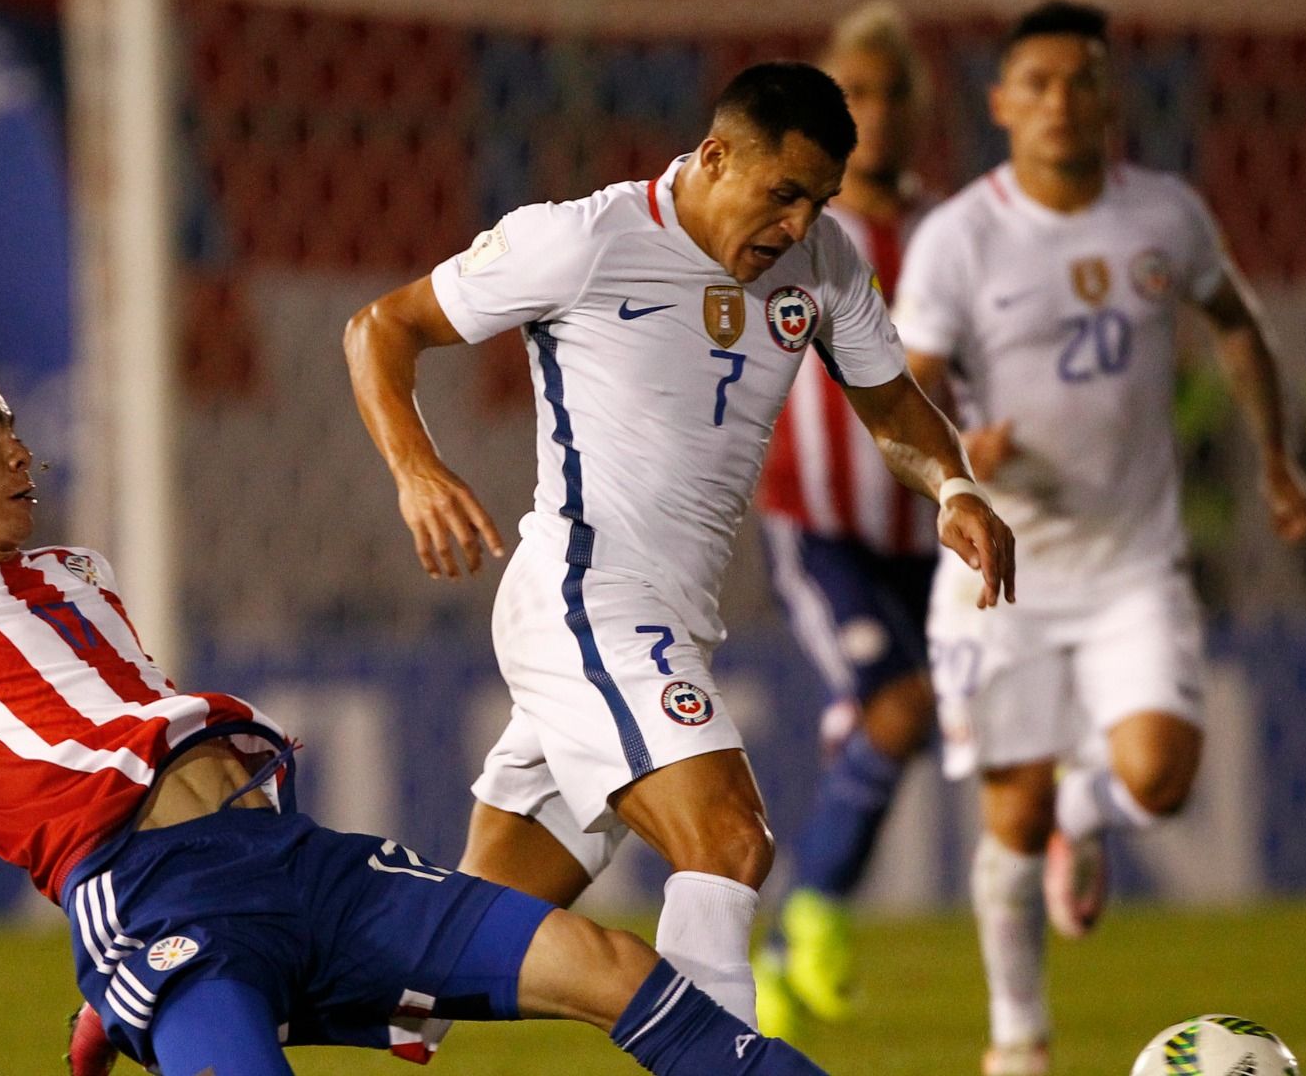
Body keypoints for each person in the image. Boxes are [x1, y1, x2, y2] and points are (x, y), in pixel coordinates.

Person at [0, 358, 833, 1076]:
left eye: (14, 429)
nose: (19, 451)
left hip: (295, 858)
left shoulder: (77, 575)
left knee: (606, 965)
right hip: (150, 889)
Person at [344, 60, 1015, 1034]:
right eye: (781, 194)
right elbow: (382, 327)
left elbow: (892, 402)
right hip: (585, 600)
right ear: (713, 156)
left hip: (671, 623)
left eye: (817, 200)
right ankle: (725, 1064)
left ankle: (196, 988)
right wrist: (416, 468)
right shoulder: (581, 240)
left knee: (443, 967)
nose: (796, 224)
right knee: (732, 843)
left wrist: (952, 485)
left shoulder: (822, 261)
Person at [891, 4, 1306, 1074]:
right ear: (999, 105)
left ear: (1111, 94)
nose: (1060, 100)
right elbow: (901, 390)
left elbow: (1234, 322)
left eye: (1081, 79)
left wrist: (1273, 456)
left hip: (1132, 559)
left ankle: (1090, 809)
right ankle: (1018, 1047)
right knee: (1011, 814)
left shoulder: (1163, 214)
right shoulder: (960, 238)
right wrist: (958, 460)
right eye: (1035, 82)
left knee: (1161, 776)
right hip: (1008, 568)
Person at [749, 2, 946, 1038]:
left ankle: (792, 941)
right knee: (899, 712)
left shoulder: (950, 232)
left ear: (922, 106)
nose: (872, 112)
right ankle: (811, 919)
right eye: (852, 93)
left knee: (920, 725)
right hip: (820, 528)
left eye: (889, 92)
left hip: (926, 537)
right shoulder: (789, 228)